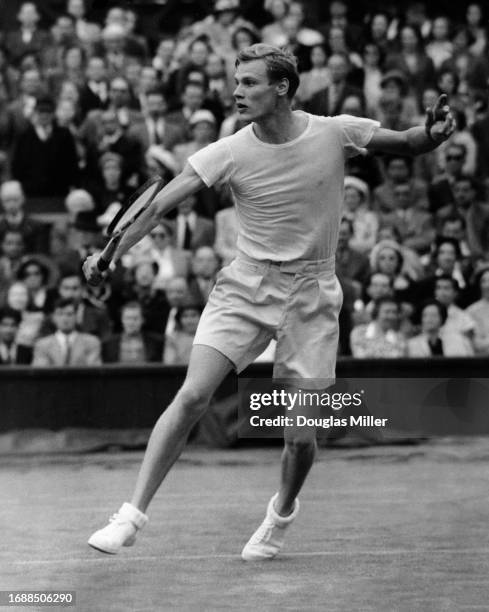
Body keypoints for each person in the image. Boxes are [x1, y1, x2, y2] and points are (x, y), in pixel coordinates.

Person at [83, 44, 454, 559]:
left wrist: (432, 135)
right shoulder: (228, 150)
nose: (237, 91)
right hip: (246, 289)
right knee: (192, 396)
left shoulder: (334, 131)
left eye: (251, 83)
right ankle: (130, 516)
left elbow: (410, 142)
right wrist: (113, 253)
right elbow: (160, 205)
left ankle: (281, 512)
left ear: (282, 87)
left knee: (300, 438)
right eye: (236, 82)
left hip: (313, 296)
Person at [32, 297, 101, 366]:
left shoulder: (92, 342)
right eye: (60, 314)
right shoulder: (42, 345)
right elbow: (41, 373)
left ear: (77, 317)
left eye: (69, 314)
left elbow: (94, 372)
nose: (65, 318)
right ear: (53, 317)